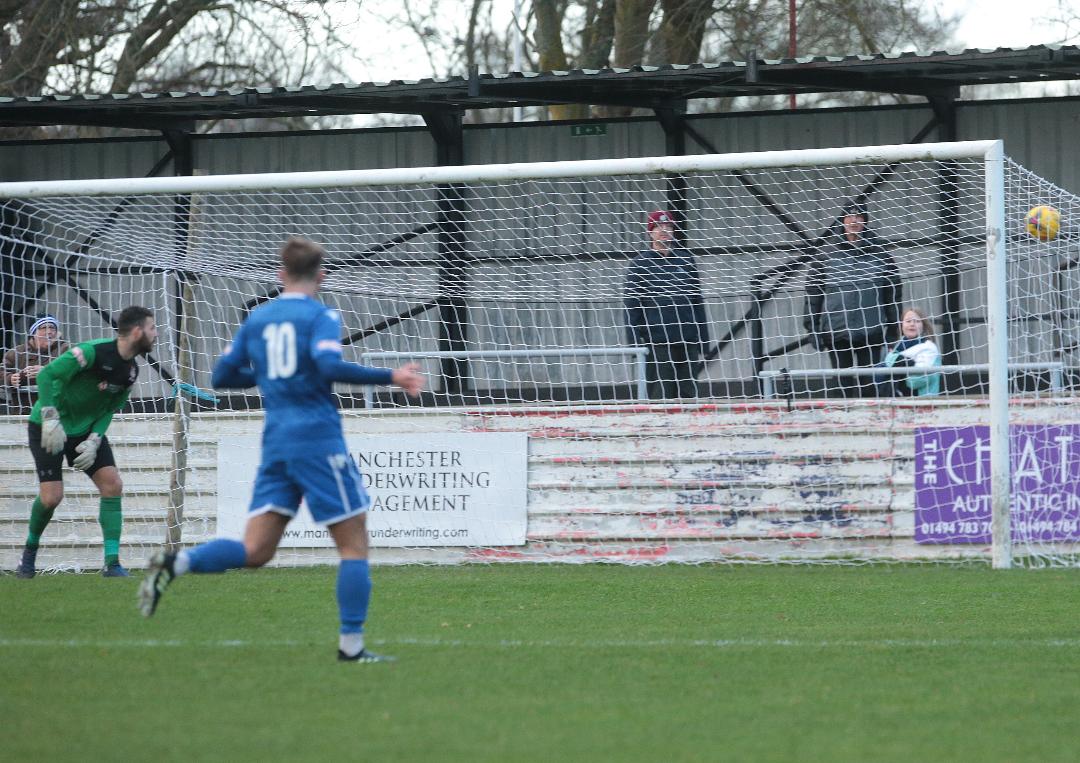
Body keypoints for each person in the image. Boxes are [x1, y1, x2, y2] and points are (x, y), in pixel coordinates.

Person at [139, 237, 425, 665]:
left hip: (276, 443)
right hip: (317, 439)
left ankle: (178, 564)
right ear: (321, 275)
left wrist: (265, 375)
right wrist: (392, 376)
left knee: (257, 552)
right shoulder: (321, 315)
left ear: (280, 274)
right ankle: (352, 648)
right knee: (353, 546)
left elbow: (221, 376)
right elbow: (327, 366)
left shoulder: (258, 318)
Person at [14, 306, 157, 579]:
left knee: (113, 485)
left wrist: (94, 440)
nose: (156, 334)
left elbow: (109, 409)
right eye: (152, 328)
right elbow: (46, 376)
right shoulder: (91, 352)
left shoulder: (130, 372)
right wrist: (50, 417)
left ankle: (112, 564)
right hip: (47, 424)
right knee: (52, 498)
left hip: (85, 431)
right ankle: (28, 556)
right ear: (137, 332)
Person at [804, 203, 901, 398]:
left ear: (865, 221)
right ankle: (839, 425)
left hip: (871, 331)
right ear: (842, 221)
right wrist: (812, 329)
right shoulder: (825, 254)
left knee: (870, 386)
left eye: (859, 217)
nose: (854, 221)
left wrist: (893, 328)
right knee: (841, 386)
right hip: (837, 332)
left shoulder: (880, 252)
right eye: (849, 216)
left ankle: (872, 426)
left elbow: (893, 294)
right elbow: (812, 295)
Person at [624, 210, 710, 399]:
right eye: (659, 227)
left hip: (687, 341)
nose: (664, 230)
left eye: (668, 226)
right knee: (662, 395)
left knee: (689, 394)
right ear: (650, 232)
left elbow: (697, 302)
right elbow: (631, 307)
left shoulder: (686, 260)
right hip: (657, 343)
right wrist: (634, 344)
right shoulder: (640, 264)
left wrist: (704, 340)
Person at [2, 315, 69, 411]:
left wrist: (47, 371)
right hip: (23, 412)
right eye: (43, 328)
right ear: (33, 333)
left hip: (57, 409)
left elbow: (74, 372)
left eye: (52, 327)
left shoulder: (66, 349)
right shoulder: (17, 352)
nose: (49, 332)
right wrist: (10, 379)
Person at [876, 307, 941, 397]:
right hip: (896, 402)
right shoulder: (897, 346)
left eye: (917, 321)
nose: (912, 324)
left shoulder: (929, 347)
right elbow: (881, 372)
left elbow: (917, 380)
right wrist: (901, 362)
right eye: (908, 321)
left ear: (923, 326)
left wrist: (898, 364)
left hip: (923, 402)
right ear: (902, 325)